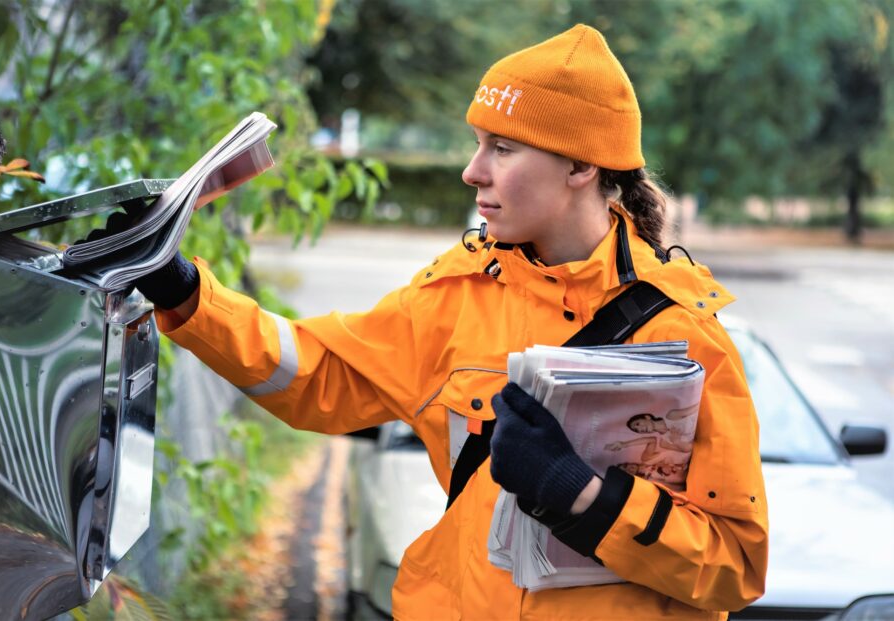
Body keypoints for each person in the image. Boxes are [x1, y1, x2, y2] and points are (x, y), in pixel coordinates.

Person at [130, 24, 768, 620]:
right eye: (478, 144)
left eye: (503, 148)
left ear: (581, 167)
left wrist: (579, 493)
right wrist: (183, 291)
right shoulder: (457, 295)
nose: (473, 171)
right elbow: (317, 373)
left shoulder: (683, 336)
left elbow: (733, 567)